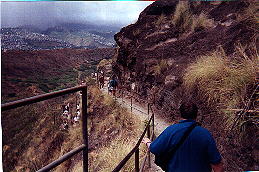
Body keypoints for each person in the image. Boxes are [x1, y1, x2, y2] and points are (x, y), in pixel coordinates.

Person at [142, 101, 224, 172]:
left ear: (180, 114)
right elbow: (217, 164)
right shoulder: (205, 134)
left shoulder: (171, 130)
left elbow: (154, 148)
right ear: (196, 115)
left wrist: (148, 142)